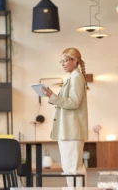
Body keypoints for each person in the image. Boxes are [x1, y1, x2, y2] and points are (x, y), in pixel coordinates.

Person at [41, 47, 88, 187]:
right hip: (67, 130)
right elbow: (67, 102)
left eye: (65, 61)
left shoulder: (77, 77)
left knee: (73, 168)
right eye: (61, 61)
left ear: (75, 61)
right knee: (70, 168)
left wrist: (53, 96)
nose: (63, 64)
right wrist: (52, 96)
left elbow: (74, 103)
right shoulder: (72, 77)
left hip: (71, 130)